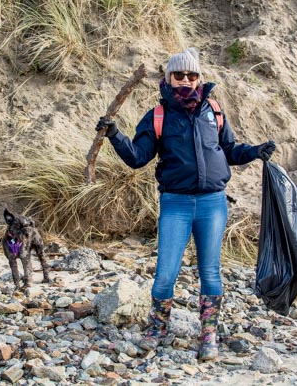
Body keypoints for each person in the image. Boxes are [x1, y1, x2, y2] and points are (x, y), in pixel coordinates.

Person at [96, 47, 275, 361]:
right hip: (175, 204)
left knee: (211, 272)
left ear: (199, 78)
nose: (187, 81)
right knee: (166, 273)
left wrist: (256, 151)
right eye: (180, 75)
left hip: (213, 204)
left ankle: (208, 335)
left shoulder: (214, 111)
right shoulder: (158, 116)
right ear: (169, 78)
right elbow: (138, 158)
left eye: (193, 75)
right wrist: (114, 135)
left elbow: (230, 151)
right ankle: (157, 328)